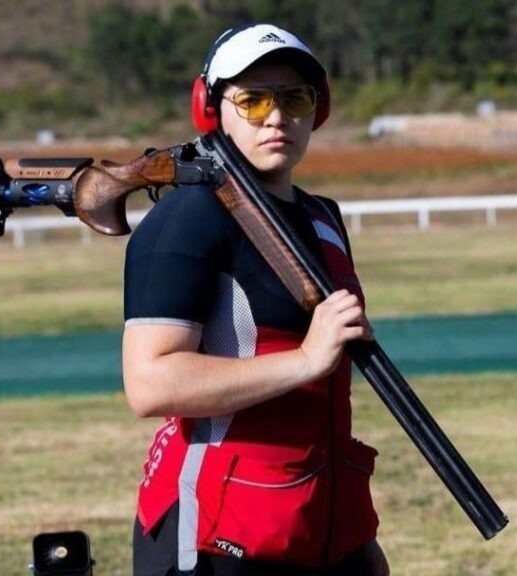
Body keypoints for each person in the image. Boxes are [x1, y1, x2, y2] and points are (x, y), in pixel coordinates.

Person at [121, 23, 390, 576]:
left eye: (294, 98)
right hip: (217, 535)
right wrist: (304, 360)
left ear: (319, 108)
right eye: (252, 99)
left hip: (321, 525)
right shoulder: (187, 218)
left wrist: (357, 542)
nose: (276, 116)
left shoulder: (322, 218)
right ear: (210, 107)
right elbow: (150, 384)